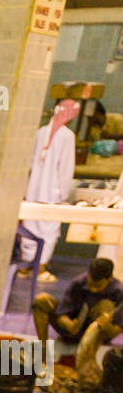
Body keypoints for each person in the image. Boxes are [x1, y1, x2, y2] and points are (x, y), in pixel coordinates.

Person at [21, 99, 79, 284]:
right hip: (52, 191)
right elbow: (65, 168)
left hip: (33, 188)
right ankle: (41, 267)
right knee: (48, 227)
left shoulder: (41, 132)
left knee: (31, 224)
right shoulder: (67, 136)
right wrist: (64, 193)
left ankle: (26, 264)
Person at [32, 256, 123, 345]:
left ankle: (89, 351)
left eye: (98, 287)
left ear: (110, 278)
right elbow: (61, 314)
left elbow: (118, 329)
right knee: (41, 300)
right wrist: (68, 324)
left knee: (105, 305)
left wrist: (108, 327)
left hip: (98, 335)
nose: (93, 290)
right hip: (74, 329)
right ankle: (43, 347)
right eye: (90, 285)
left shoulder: (119, 291)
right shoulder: (78, 283)